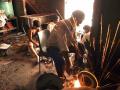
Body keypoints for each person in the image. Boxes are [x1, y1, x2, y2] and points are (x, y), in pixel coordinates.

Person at [46, 10, 85, 78]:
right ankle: (61, 78)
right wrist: (68, 61)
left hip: (66, 44)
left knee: (81, 46)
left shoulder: (74, 24)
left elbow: (74, 39)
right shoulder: (61, 24)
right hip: (53, 46)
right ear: (74, 18)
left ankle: (77, 69)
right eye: (80, 20)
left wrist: (77, 50)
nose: (81, 23)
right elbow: (62, 43)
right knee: (61, 60)